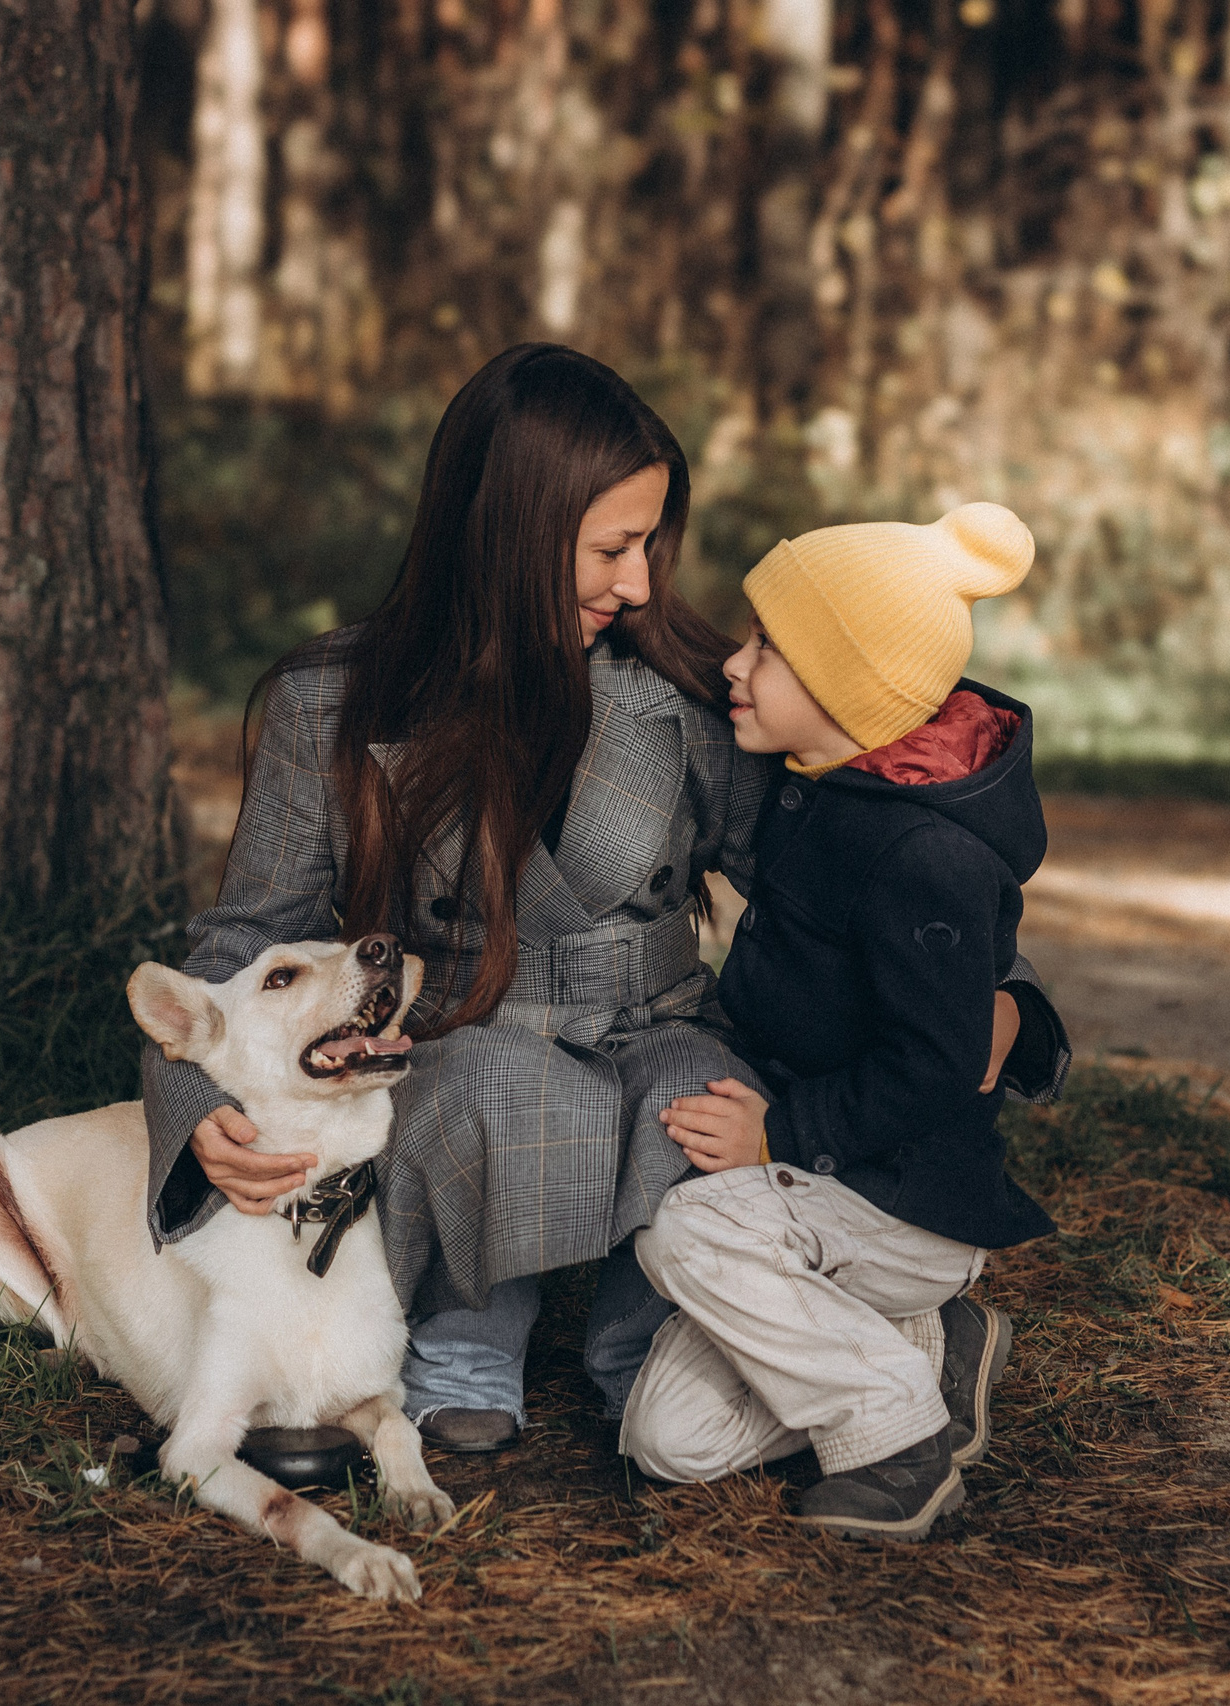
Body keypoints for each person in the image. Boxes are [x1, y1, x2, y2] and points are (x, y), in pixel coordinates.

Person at [140, 344, 774, 1453]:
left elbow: (831, 894)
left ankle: (651, 1343)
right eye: (610, 550)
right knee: (483, 1078)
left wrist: (985, 993)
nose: (638, 584)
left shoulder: (687, 696)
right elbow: (244, 940)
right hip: (467, 1040)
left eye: (649, 546)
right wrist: (194, 1107)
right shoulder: (331, 703)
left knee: (697, 1089)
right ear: (509, 535)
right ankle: (467, 1329)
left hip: (654, 1026)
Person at [619, 502, 1067, 1539]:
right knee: (669, 1441)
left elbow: (942, 1064)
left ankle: (896, 1434)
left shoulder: (924, 858)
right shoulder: (817, 790)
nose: (735, 663)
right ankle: (928, 1349)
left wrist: (781, 1132)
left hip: (900, 1200)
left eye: (768, 647)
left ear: (850, 684)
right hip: (823, 1201)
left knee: (688, 1230)